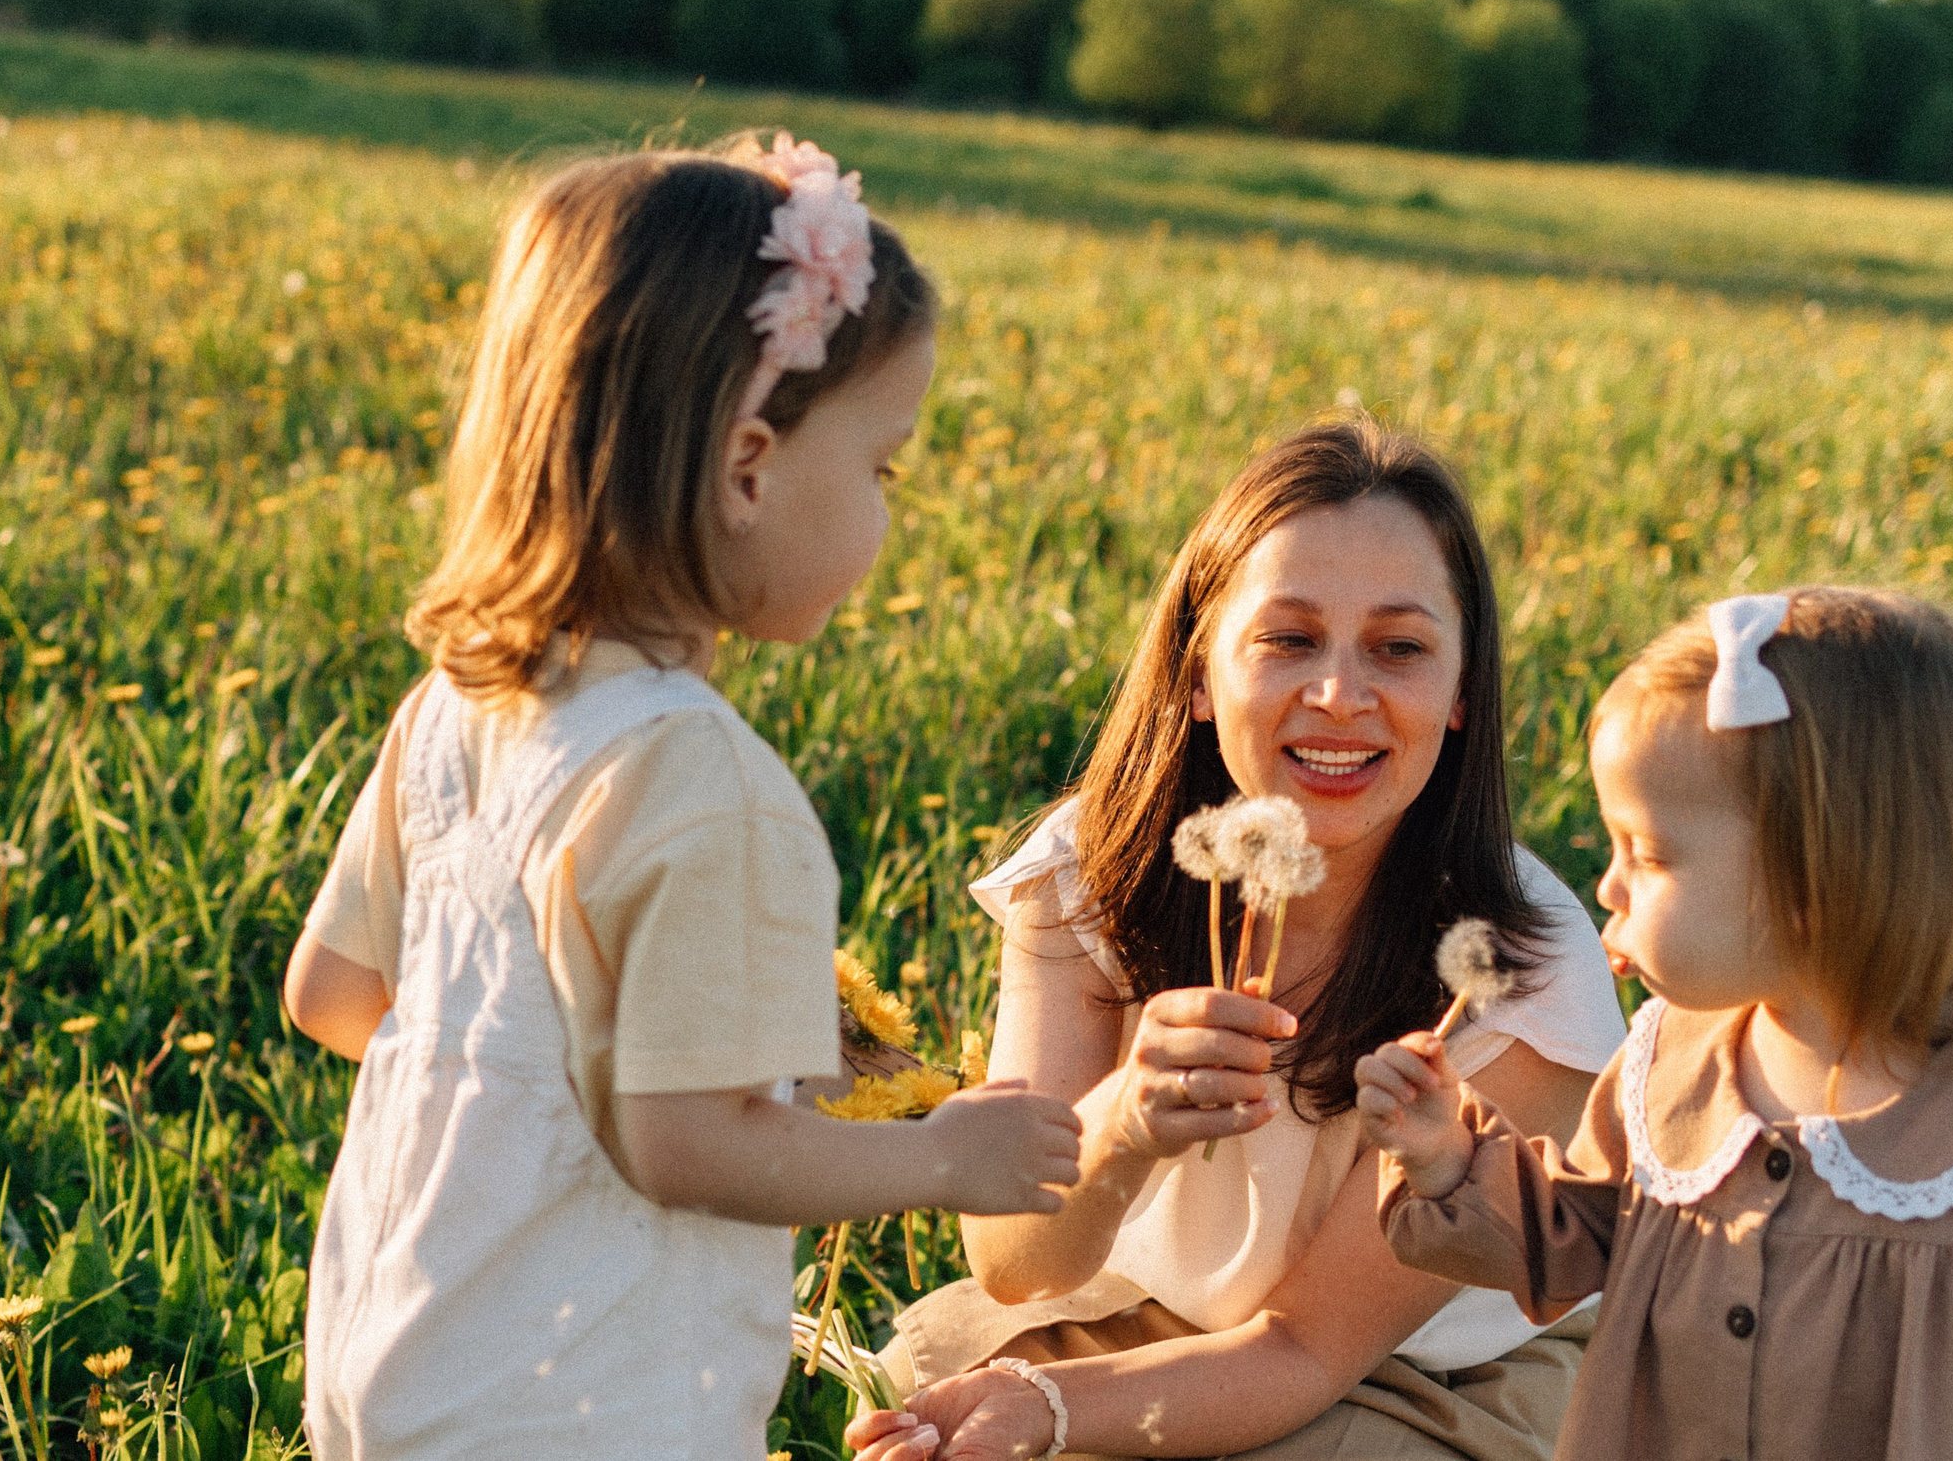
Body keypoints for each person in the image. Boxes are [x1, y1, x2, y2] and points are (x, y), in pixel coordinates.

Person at [283, 135, 1084, 1461]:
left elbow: (334, 995)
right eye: (882, 468)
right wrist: (945, 1155)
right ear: (748, 466)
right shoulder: (709, 782)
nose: (887, 510)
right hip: (590, 1399)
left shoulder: (454, 705)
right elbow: (689, 1147)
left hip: (398, 1355)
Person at [851, 420, 1628, 1461]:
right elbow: (1015, 1265)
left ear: (1460, 693)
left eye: (1399, 648)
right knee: (920, 1414)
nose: (1340, 695)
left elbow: (1306, 1349)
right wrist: (1121, 1125)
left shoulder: (1516, 969)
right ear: (1198, 675)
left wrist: (1048, 1405)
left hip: (1420, 1375)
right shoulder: (1087, 874)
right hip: (1154, 1317)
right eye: (1288, 639)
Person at [1360, 587, 1953, 1461]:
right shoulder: (1667, 1065)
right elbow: (1578, 1235)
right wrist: (1447, 1156)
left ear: (1813, 878)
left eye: (1647, 854)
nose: (1607, 886)